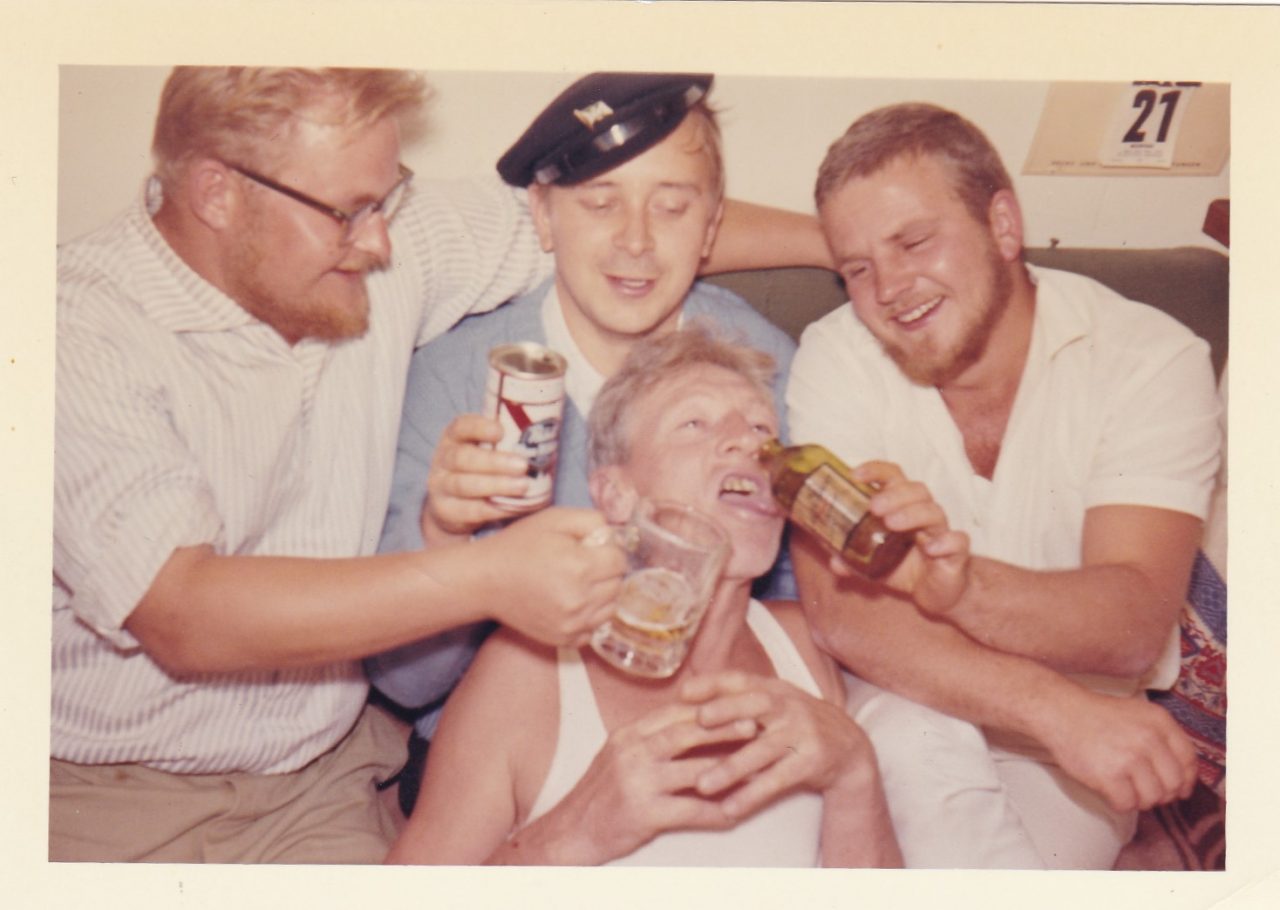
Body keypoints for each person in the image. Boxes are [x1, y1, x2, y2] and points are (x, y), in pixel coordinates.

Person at [51, 66, 824, 864]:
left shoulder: (380, 242)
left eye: (388, 202)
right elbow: (182, 614)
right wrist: (482, 571)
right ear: (217, 194)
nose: (384, 242)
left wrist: (861, 246)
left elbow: (619, 221)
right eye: (353, 213)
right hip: (106, 787)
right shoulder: (72, 330)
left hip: (322, 780)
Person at [786, 102, 1222, 868]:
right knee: (911, 740)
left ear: (1004, 225)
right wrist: (1049, 705)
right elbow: (842, 613)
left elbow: (1130, 622)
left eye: (914, 241)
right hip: (903, 705)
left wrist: (955, 592)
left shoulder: (1149, 359)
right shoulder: (836, 357)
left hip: (1075, 753)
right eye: (856, 268)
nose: (888, 288)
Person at [365, 73, 803, 815]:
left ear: (711, 226)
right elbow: (404, 685)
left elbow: (798, 605)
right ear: (541, 215)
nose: (635, 239)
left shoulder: (761, 364)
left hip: (717, 742)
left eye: (672, 206)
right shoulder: (454, 382)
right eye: (600, 203)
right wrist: (447, 539)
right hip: (508, 769)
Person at [385, 325, 907, 867]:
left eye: (762, 427)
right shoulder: (531, 672)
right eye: (695, 423)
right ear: (617, 494)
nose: (748, 442)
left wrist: (854, 774)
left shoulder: (805, 644)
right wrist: (570, 835)